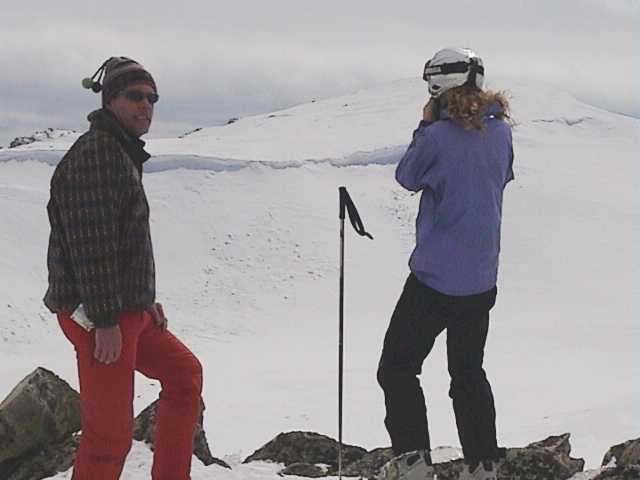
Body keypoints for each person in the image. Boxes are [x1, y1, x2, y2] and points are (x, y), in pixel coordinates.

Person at [44, 57, 203, 480]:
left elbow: (121, 240)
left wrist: (142, 300)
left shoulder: (119, 151)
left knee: (184, 375)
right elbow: (91, 247)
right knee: (108, 437)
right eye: (135, 96)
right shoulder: (96, 156)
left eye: (152, 98)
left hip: (124, 309)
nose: (146, 105)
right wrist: (107, 318)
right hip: (100, 316)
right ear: (110, 98)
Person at [377, 47, 514, 480]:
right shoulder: (502, 133)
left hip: (434, 279)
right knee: (468, 372)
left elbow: (407, 177)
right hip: (481, 279)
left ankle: (414, 464)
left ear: (439, 86)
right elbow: (501, 177)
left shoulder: (436, 136)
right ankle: (483, 465)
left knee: (397, 367)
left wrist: (426, 124)